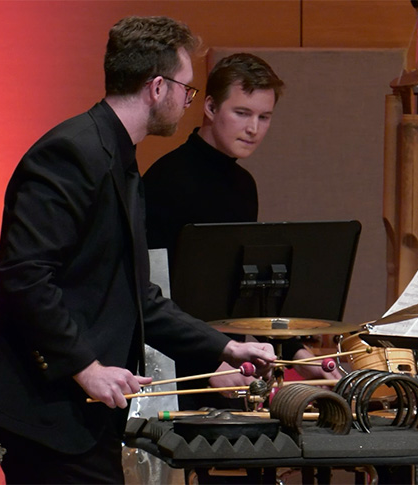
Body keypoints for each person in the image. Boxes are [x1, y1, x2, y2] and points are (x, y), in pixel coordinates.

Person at [0, 17, 275, 484]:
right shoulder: (71, 153)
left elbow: (136, 295)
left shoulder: (119, 159)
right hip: (40, 401)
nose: (187, 105)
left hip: (79, 407)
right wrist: (85, 367)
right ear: (157, 87)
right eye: (186, 92)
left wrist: (224, 347)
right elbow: (24, 277)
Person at [143, 53, 339, 412]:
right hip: (171, 375)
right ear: (211, 107)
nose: (254, 128)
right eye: (242, 113)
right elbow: (149, 295)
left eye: (264, 117)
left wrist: (296, 351)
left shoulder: (243, 185)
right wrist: (208, 363)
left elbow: (248, 288)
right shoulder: (165, 181)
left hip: (230, 367)